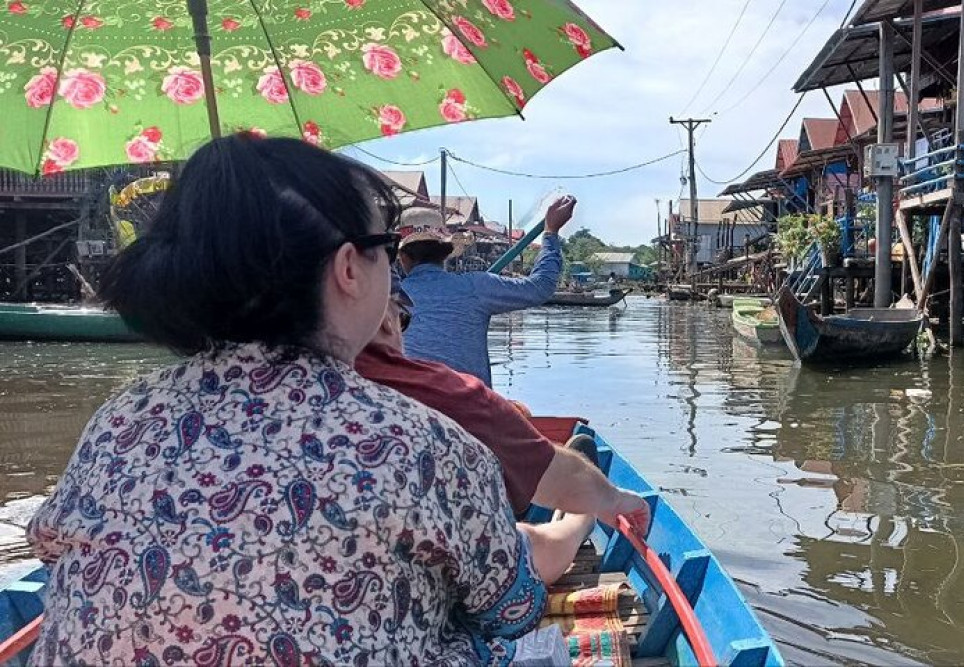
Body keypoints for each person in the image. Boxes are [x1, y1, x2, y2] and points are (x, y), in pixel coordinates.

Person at [25, 136, 569, 666]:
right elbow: (512, 608)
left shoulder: (115, 421)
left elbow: (48, 543)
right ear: (349, 268)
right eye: (383, 249)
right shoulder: (422, 443)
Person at [355, 274, 652, 555]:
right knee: (527, 547)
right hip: (434, 566)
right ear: (385, 322)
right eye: (403, 320)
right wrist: (614, 500)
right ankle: (579, 523)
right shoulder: (443, 389)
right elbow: (552, 472)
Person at [399, 195, 576, 387]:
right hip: (469, 409)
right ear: (446, 253)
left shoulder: (386, 299)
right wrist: (551, 232)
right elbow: (541, 287)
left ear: (402, 257)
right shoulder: (476, 286)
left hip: (407, 406)